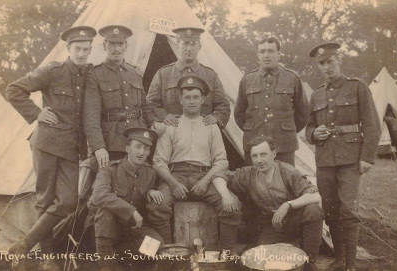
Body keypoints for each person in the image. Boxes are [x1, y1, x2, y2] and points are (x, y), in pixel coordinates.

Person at [5, 26, 97, 271]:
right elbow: (14, 89)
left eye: (86, 50)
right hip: (45, 144)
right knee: (45, 201)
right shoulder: (52, 71)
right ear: (68, 49)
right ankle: (49, 259)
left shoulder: (89, 74)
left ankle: (24, 244)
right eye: (77, 49)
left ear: (90, 50)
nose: (81, 54)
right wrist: (37, 113)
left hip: (71, 148)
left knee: (67, 201)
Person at [306, 42, 381, 271]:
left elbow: (371, 124)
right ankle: (339, 259)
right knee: (330, 210)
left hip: (350, 158)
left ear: (339, 61)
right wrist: (313, 134)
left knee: (349, 211)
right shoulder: (317, 94)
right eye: (322, 64)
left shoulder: (356, 87)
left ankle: (351, 264)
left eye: (330, 62)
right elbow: (309, 127)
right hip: (325, 160)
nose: (326, 67)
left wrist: (366, 157)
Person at [146, 75, 241, 254]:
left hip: (205, 177)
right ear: (180, 100)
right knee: (157, 207)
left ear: (203, 99)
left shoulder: (211, 126)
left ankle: (225, 253)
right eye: (187, 97)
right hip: (175, 176)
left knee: (232, 205)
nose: (191, 101)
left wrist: (205, 181)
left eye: (196, 97)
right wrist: (173, 184)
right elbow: (159, 161)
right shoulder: (171, 125)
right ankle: (169, 253)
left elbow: (221, 161)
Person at [212, 136, 323, 271]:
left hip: (295, 220)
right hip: (273, 224)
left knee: (313, 211)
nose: (259, 160)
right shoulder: (249, 174)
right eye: (255, 156)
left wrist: (287, 205)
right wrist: (226, 196)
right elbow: (219, 175)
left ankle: (310, 262)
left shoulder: (287, 171)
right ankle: (291, 244)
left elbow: (315, 195)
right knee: (258, 258)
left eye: (263, 155)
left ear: (274, 154)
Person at [89, 127, 164, 271]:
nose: (141, 152)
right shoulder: (109, 169)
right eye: (137, 147)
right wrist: (131, 211)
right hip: (106, 229)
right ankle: (105, 265)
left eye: (146, 148)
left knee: (157, 243)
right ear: (127, 148)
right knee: (106, 213)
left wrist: (151, 190)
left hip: (131, 229)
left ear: (149, 152)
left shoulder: (150, 173)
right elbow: (98, 196)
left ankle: (119, 258)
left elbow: (144, 189)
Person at [234, 37, 309, 166]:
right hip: (254, 144)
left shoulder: (292, 78)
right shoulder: (247, 79)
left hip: (283, 145)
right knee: (254, 183)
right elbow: (239, 113)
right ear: (258, 55)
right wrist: (253, 130)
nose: (266, 55)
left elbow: (303, 113)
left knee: (284, 182)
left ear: (279, 54)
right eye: (262, 52)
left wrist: (285, 129)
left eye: (270, 51)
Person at [83, 25, 150, 169]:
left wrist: (156, 123)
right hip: (111, 142)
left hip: (137, 137)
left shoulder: (134, 73)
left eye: (120, 44)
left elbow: (144, 106)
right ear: (104, 46)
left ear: (126, 46)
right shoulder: (95, 75)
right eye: (112, 44)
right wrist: (98, 147)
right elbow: (91, 116)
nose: (116, 49)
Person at [145, 27, 230, 130]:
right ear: (177, 45)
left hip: (202, 131)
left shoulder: (210, 75)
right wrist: (164, 116)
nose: (189, 48)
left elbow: (223, 105)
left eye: (193, 43)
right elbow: (150, 103)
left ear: (199, 47)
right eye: (185, 43)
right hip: (172, 131)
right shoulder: (163, 74)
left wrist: (215, 117)